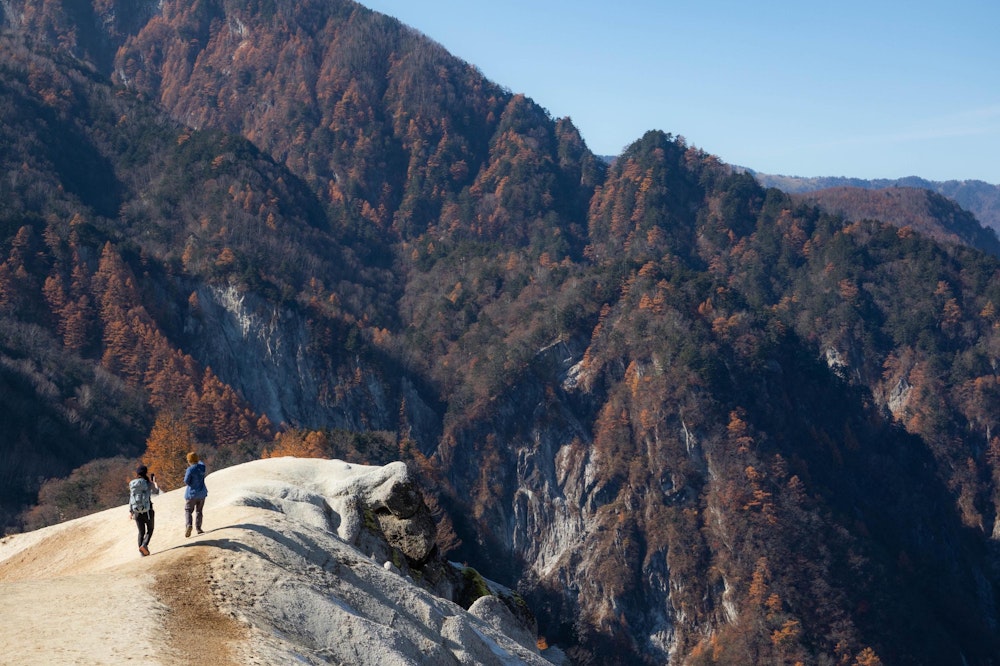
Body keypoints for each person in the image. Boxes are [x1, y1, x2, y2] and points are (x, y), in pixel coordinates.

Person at [129, 465, 161, 556]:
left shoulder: (133, 485)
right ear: (146, 473)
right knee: (150, 529)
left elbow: (131, 498)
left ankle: (142, 553)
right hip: (148, 511)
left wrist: (131, 512)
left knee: (141, 532)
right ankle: (144, 545)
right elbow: (156, 492)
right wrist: (154, 482)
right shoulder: (148, 483)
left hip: (136, 511)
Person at [183, 451, 208, 537]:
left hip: (192, 494)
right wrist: (197, 459)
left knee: (188, 510)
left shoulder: (190, 469)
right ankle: (199, 528)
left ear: (189, 460)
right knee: (199, 511)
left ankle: (189, 525)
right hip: (202, 493)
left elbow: (186, 481)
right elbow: (201, 463)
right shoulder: (202, 467)